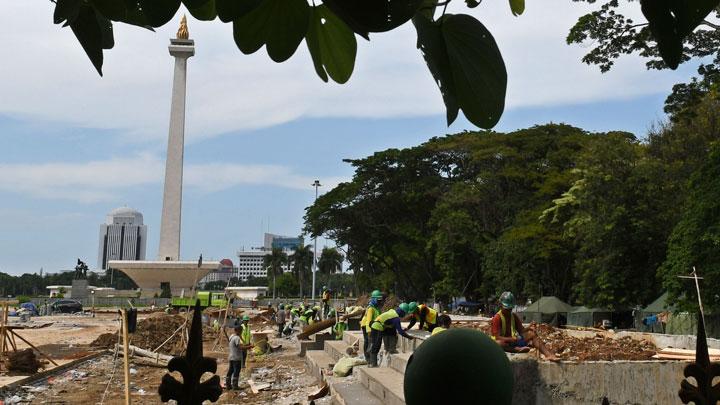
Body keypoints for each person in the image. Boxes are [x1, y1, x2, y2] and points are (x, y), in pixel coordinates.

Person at [490, 291, 559, 362]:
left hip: (513, 341)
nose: (509, 310)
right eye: (507, 308)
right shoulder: (497, 318)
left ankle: (548, 355)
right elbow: (497, 337)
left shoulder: (513, 316)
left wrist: (529, 328)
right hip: (504, 342)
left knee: (531, 334)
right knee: (498, 343)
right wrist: (510, 339)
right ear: (500, 305)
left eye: (510, 308)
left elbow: (521, 331)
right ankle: (516, 349)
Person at [368, 303, 414, 367]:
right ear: (402, 312)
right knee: (376, 345)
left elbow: (390, 325)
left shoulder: (392, 312)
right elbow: (400, 331)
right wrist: (409, 337)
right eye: (405, 313)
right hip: (377, 327)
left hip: (376, 326)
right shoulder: (396, 318)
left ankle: (389, 349)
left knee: (376, 345)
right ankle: (373, 364)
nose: (404, 315)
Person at [361, 290, 383, 361]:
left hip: (372, 325)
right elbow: (368, 321)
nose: (379, 302)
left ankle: (369, 357)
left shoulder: (377, 308)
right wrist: (369, 331)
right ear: (374, 299)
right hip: (366, 325)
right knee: (367, 340)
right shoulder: (370, 308)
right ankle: (367, 357)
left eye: (380, 300)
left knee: (372, 341)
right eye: (378, 300)